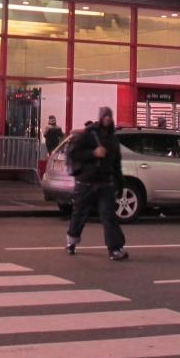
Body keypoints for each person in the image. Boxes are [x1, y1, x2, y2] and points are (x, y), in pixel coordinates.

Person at [65, 106, 128, 260]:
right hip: (86, 181)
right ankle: (71, 241)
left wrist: (120, 185)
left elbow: (116, 165)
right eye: (105, 116)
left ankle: (114, 249)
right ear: (100, 118)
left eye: (109, 116)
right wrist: (93, 153)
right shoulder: (89, 134)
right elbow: (73, 153)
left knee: (108, 216)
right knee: (80, 213)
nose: (107, 119)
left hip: (105, 182)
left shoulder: (113, 139)